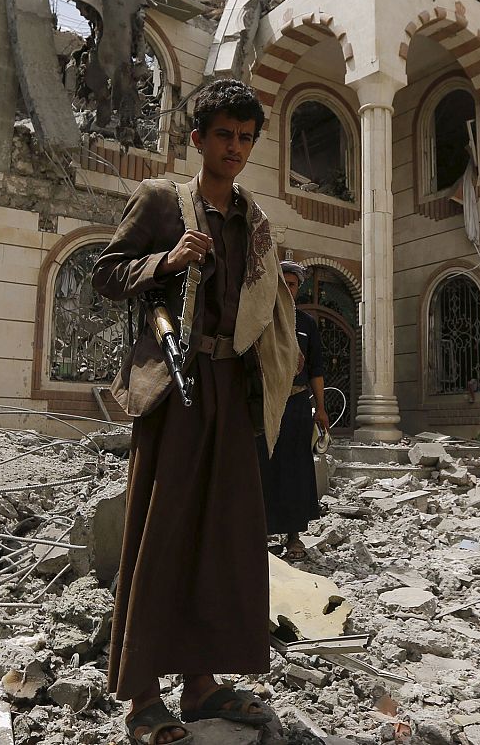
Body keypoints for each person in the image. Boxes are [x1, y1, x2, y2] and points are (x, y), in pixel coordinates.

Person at [92, 78, 299, 745]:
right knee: (163, 535)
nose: (235, 148)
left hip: (230, 390)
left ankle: (203, 683)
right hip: (174, 387)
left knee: (225, 537)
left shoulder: (251, 218)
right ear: (197, 139)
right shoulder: (161, 200)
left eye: (245, 138)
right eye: (223, 136)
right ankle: (144, 698)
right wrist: (164, 259)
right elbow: (105, 271)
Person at [260, 261, 329, 559]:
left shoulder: (307, 324)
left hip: (298, 405)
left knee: (296, 470)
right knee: (264, 466)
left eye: (292, 284)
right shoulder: (263, 320)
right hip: (266, 405)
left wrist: (321, 409)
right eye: (283, 283)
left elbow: (316, 370)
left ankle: (294, 537)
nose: (287, 289)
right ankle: (259, 533)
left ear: (297, 289)